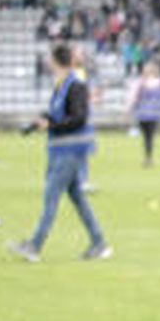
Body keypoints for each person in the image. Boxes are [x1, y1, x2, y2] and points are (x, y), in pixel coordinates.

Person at [7, 42, 111, 263]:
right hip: (61, 150)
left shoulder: (75, 85)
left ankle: (34, 246)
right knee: (78, 199)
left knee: (51, 197)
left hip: (70, 151)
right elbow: (58, 113)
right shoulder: (62, 84)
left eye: (49, 59)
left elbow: (79, 117)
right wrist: (37, 124)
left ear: (55, 61)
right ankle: (99, 242)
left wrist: (51, 126)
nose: (47, 62)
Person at [127, 62, 160, 168]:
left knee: (146, 137)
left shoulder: (140, 82)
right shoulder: (159, 83)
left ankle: (148, 158)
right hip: (152, 114)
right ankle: (149, 157)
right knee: (149, 137)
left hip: (143, 113)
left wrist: (128, 108)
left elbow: (134, 97)